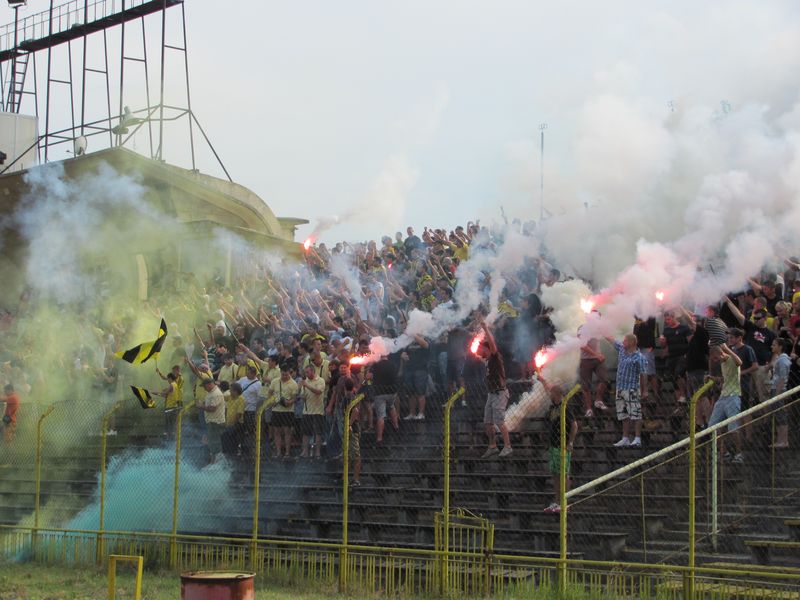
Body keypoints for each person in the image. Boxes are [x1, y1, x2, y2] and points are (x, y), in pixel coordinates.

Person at [725, 298, 776, 405]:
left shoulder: (770, 334)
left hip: (762, 367)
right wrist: (728, 302)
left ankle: (766, 416)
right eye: (754, 318)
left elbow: (775, 351)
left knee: (764, 397)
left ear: (765, 318)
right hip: (747, 367)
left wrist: (771, 364)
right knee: (747, 396)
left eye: (758, 318)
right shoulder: (751, 327)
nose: (755, 320)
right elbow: (739, 316)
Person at [540, 379, 579, 513]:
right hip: (554, 446)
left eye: (552, 394)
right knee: (556, 475)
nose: (549, 395)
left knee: (564, 474)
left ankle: (564, 502)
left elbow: (574, 425)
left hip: (562, 446)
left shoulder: (565, 406)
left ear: (557, 394)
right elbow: (548, 390)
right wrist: (542, 381)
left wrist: (570, 442)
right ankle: (557, 501)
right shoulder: (554, 406)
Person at [477, 321, 513, 458]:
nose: (478, 350)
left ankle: (508, 446)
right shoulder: (486, 360)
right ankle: (492, 446)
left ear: (486, 349)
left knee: (499, 421)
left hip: (500, 392)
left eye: (480, 348)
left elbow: (492, 344)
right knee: (487, 422)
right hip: (491, 394)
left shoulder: (495, 357)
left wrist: (486, 329)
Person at [609, 333, 648, 448]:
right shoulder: (622, 350)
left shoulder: (640, 357)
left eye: (625, 340)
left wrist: (644, 390)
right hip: (620, 388)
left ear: (632, 342)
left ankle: (637, 438)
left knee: (636, 414)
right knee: (623, 414)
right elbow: (612, 339)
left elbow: (643, 374)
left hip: (632, 389)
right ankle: (625, 438)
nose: (623, 342)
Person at [707, 343, 744, 463]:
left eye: (716, 358)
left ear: (721, 354)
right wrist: (713, 379)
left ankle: (738, 454)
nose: (715, 361)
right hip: (723, 396)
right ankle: (724, 452)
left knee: (733, 428)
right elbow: (725, 379)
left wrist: (726, 348)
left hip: (733, 396)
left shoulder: (731, 359)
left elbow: (739, 362)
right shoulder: (722, 364)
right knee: (712, 426)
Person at [267, 364, 299, 458]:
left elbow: (295, 398)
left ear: (290, 373)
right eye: (283, 374)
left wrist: (289, 402)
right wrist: (272, 401)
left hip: (288, 411)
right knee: (276, 431)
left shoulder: (293, 384)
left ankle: (287, 452)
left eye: (286, 374)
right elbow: (270, 393)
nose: (284, 376)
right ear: (280, 373)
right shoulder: (275, 381)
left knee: (287, 431)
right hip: (276, 409)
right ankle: (278, 452)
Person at [299, 364, 326, 458]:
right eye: (305, 372)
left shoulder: (320, 380)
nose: (306, 374)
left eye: (307, 372)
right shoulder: (305, 381)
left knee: (318, 432)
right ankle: (305, 452)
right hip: (307, 411)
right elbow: (302, 395)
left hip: (318, 411)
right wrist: (302, 396)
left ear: (313, 371)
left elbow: (318, 392)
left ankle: (317, 452)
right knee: (305, 433)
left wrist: (307, 385)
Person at [769, 338, 792, 448]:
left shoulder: (783, 360)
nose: (772, 347)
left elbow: (783, 378)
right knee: (777, 415)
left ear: (780, 347)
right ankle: (779, 440)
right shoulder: (779, 358)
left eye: (774, 345)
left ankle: (784, 440)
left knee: (781, 415)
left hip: (779, 389)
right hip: (775, 388)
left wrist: (777, 393)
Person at [199, 377, 226, 463]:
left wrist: (201, 406)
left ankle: (217, 463)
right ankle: (214, 461)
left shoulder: (216, 394)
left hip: (215, 422)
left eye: (204, 386)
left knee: (215, 443)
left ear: (209, 384)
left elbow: (212, 408)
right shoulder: (211, 393)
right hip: (211, 421)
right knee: (212, 442)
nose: (204, 388)